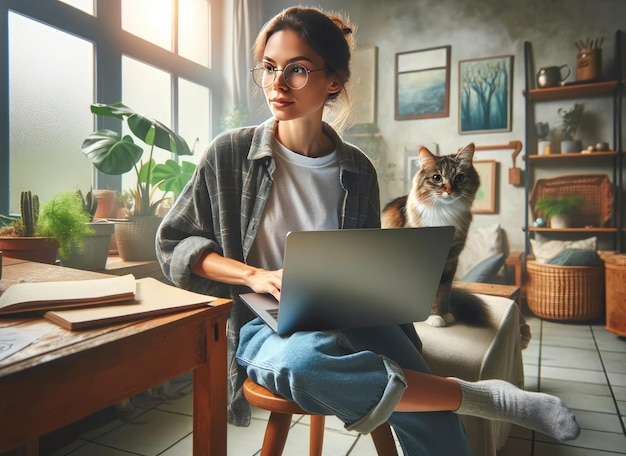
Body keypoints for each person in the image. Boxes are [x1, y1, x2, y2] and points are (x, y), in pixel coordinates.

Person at [156, 6, 580, 454]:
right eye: (269, 68)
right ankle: (484, 397)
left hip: (349, 312)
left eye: (297, 70)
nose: (277, 84)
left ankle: (439, 397)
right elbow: (173, 243)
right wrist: (253, 275)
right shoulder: (230, 154)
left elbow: (362, 264)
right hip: (264, 321)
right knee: (302, 364)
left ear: (333, 80)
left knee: (432, 427)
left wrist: (397, 297)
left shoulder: (358, 169)